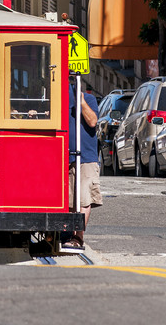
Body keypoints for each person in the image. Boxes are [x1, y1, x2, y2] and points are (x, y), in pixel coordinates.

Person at [62, 82, 102, 253]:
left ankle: (78, 237)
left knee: (84, 198)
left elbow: (92, 121)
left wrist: (81, 102)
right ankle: (66, 234)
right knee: (69, 200)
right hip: (63, 155)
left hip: (85, 156)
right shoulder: (56, 101)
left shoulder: (89, 99)